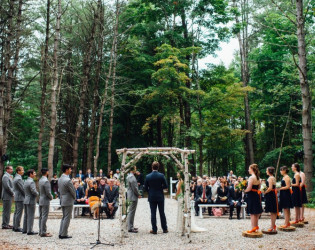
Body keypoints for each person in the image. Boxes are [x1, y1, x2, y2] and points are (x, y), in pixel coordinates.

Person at [144, 161, 168, 234]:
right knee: (162, 213)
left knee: (153, 213)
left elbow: (145, 188)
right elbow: (166, 186)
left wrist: (150, 191)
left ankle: (154, 229)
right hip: (160, 196)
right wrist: (161, 188)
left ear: (152, 167)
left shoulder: (148, 176)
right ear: (158, 167)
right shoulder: (161, 176)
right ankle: (164, 228)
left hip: (152, 196)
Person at [58, 164, 76, 239]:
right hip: (68, 200)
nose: (71, 170)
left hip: (62, 199)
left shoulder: (60, 178)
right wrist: (74, 197)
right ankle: (64, 234)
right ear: (66, 170)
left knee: (64, 217)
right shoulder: (68, 180)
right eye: (70, 169)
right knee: (67, 217)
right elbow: (72, 191)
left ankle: (61, 232)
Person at [244, 164, 263, 233]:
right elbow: (259, 187)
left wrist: (244, 190)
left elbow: (249, 188)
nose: (248, 170)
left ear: (252, 169)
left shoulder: (251, 177)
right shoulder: (258, 177)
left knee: (252, 212)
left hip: (251, 195)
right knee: (256, 212)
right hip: (256, 195)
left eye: (249, 168)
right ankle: (256, 226)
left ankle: (253, 227)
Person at [23, 169, 39, 235]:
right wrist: (38, 194)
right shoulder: (31, 182)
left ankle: (25, 229)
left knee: (26, 215)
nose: (35, 174)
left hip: (26, 199)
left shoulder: (26, 181)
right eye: (34, 173)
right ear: (30, 174)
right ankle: (29, 230)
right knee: (31, 216)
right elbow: (33, 191)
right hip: (31, 200)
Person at [38, 168, 53, 237]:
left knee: (41, 216)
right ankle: (43, 232)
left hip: (41, 199)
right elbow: (48, 192)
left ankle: (40, 230)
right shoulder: (46, 181)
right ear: (47, 172)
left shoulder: (40, 180)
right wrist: (51, 197)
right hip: (45, 200)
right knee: (44, 216)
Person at [126, 166, 141, 233]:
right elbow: (134, 188)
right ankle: (130, 227)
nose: (136, 170)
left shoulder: (128, 176)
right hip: (133, 196)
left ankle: (130, 225)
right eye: (135, 169)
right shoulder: (131, 177)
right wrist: (138, 194)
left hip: (130, 195)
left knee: (131, 211)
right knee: (131, 212)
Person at [264, 167, 278, 232]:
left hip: (270, 195)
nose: (266, 171)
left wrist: (264, 192)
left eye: (266, 170)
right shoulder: (273, 177)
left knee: (272, 211)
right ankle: (273, 225)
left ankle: (272, 226)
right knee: (273, 211)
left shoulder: (270, 178)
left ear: (269, 171)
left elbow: (270, 188)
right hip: (272, 194)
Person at [13, 166, 25, 232]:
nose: (23, 171)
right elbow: (22, 189)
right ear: (18, 171)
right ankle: (17, 227)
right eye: (22, 170)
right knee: (19, 212)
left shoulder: (16, 177)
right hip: (20, 197)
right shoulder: (18, 179)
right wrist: (26, 196)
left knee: (16, 212)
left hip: (17, 197)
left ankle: (15, 226)